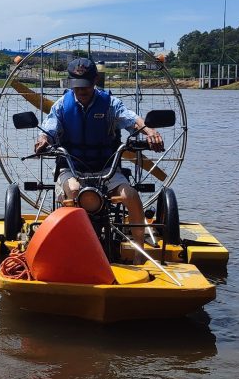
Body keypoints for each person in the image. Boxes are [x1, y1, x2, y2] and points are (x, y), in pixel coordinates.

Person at [33, 58, 165, 263]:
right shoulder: (61, 106)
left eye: (86, 85)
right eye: (77, 86)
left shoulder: (110, 103)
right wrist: (42, 140)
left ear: (95, 80)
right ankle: (71, 248)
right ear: (70, 84)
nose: (81, 90)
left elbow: (130, 118)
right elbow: (49, 128)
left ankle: (139, 253)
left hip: (106, 169)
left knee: (130, 194)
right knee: (74, 191)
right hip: (71, 167)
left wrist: (149, 131)